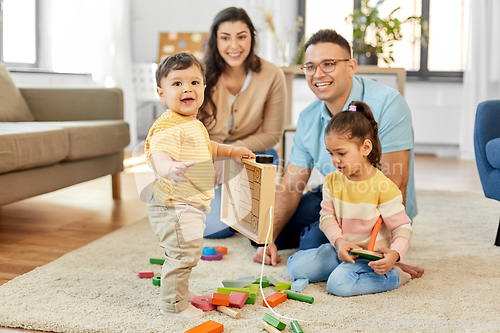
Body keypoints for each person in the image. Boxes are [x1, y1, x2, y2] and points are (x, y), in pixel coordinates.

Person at [254, 29, 424, 279]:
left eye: (328, 64)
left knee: (311, 241)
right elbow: (291, 184)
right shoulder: (308, 116)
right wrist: (267, 239)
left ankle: (331, 247)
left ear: (351, 66)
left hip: (375, 206)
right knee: (263, 233)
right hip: (335, 194)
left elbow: (395, 183)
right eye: (310, 66)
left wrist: (384, 250)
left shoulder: (388, 103)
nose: (318, 74)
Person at [144, 52, 255, 319]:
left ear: (204, 87)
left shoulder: (192, 123)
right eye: (177, 83)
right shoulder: (169, 126)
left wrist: (230, 152)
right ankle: (173, 306)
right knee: (182, 254)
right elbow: (158, 153)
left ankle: (180, 291)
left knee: (187, 253)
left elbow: (208, 147)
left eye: (194, 82)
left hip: (188, 203)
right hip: (174, 206)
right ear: (162, 93)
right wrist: (168, 168)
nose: (187, 89)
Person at [287, 101, 413, 296]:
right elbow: (326, 217)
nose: (335, 160)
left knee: (338, 285)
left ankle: (396, 276)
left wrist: (395, 255)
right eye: (331, 153)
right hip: (340, 249)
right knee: (295, 266)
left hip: (369, 256)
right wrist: (339, 243)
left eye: (341, 153)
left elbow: (402, 227)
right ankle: (338, 269)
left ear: (365, 148)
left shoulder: (384, 187)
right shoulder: (332, 181)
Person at [199, 7, 287, 239]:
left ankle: (241, 208)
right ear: (215, 40)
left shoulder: (272, 75)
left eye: (241, 37)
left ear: (252, 38)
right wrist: (215, 155)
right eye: (225, 38)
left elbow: (271, 134)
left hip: (249, 153)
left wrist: (230, 153)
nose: (234, 46)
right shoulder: (198, 72)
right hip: (205, 156)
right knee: (212, 230)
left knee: (239, 221)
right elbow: (184, 128)